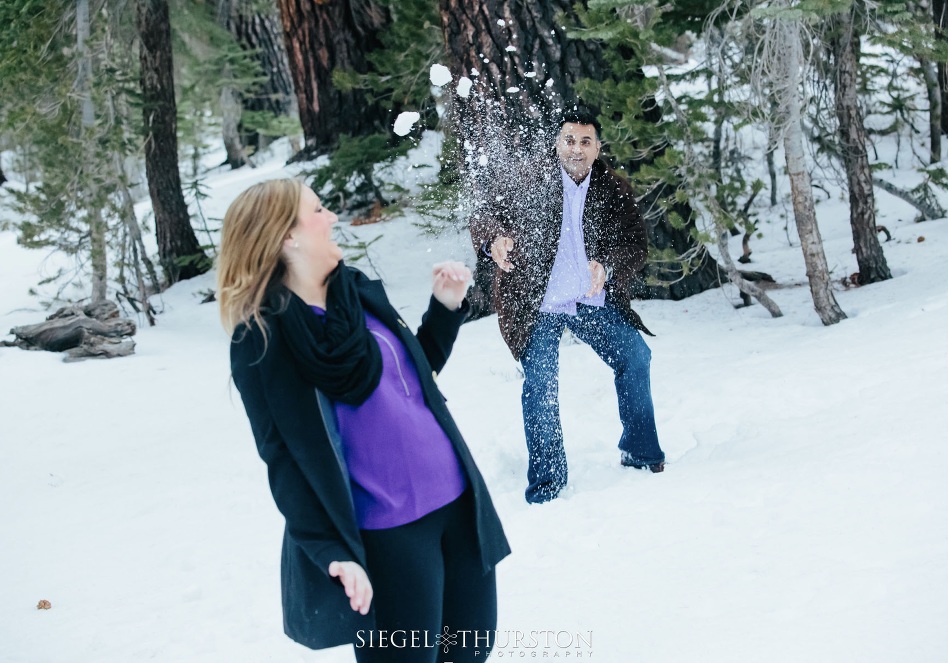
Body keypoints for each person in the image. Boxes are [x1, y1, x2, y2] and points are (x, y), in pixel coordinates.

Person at [219, 179, 510, 662]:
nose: (331, 216)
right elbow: (284, 460)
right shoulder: (262, 340)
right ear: (286, 236)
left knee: (471, 654)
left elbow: (413, 380)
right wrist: (329, 551)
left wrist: (445, 308)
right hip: (389, 537)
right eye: (317, 209)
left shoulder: (354, 293)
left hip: (459, 509)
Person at [470, 107, 666, 505]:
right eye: (569, 140)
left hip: (589, 299)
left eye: (585, 141)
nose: (576, 149)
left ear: (598, 148)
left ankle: (640, 453)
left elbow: (636, 245)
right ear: (558, 142)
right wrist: (495, 239)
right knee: (540, 385)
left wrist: (607, 264)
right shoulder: (530, 178)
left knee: (636, 357)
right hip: (538, 301)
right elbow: (484, 215)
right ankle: (547, 484)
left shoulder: (613, 189)